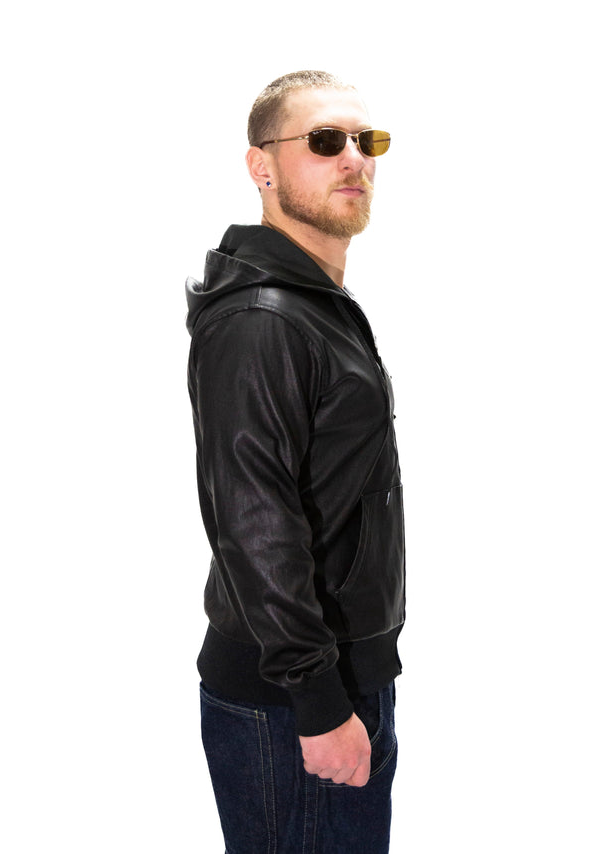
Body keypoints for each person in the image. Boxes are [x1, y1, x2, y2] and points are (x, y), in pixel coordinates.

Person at [186, 70, 406, 854]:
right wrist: (317, 700)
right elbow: (257, 526)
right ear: (262, 166)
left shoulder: (312, 305)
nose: (353, 158)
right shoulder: (263, 320)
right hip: (293, 701)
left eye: (366, 141)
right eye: (323, 141)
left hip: (337, 681)